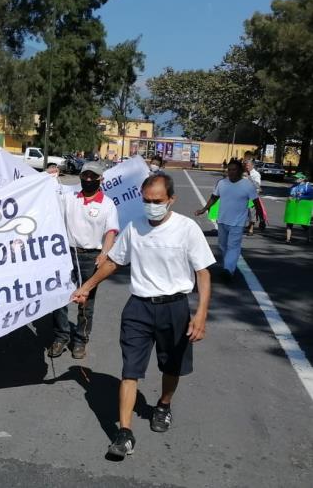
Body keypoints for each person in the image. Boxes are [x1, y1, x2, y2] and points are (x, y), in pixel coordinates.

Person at [72, 173, 214, 460]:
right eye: (146, 201)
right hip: (138, 307)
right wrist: (86, 286)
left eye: (157, 201)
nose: (151, 206)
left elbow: (203, 273)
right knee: (130, 369)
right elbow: (113, 262)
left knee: (171, 366)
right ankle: (124, 434)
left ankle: (163, 404)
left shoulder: (187, 229)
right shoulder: (134, 227)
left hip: (174, 307)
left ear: (171, 199)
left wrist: (200, 314)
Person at [49, 161, 118, 360]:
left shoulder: (107, 204)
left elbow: (111, 231)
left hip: (92, 257)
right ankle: (61, 337)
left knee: (86, 302)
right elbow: (49, 196)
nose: (88, 180)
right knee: (60, 298)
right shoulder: (69, 198)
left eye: (92, 177)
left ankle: (80, 340)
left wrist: (104, 253)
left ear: (100, 180)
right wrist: (49, 175)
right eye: (85, 176)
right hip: (66, 254)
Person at [195, 159, 263, 281]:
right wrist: (204, 209)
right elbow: (214, 197)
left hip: (238, 223)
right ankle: (229, 266)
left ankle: (228, 270)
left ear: (240, 171)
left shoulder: (247, 185)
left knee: (233, 246)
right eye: (229, 170)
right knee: (223, 245)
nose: (231, 172)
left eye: (234, 170)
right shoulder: (222, 183)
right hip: (222, 220)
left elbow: (257, 202)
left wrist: (261, 218)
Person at [285, 172, 313, 244]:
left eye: (297, 178)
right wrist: (289, 197)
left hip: (302, 208)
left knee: (304, 224)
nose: (295, 179)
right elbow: (290, 194)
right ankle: (288, 239)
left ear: (303, 179)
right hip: (293, 207)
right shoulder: (293, 186)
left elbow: (311, 196)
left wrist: (301, 197)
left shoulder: (307, 186)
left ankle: (308, 239)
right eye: (295, 177)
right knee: (289, 222)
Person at [243, 160, 263, 236]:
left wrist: (248, 177)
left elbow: (257, 185)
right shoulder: (243, 173)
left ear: (252, 166)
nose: (246, 167)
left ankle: (251, 229)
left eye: (247, 165)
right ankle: (246, 225)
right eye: (245, 165)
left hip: (252, 196)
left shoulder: (256, 174)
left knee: (252, 212)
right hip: (243, 196)